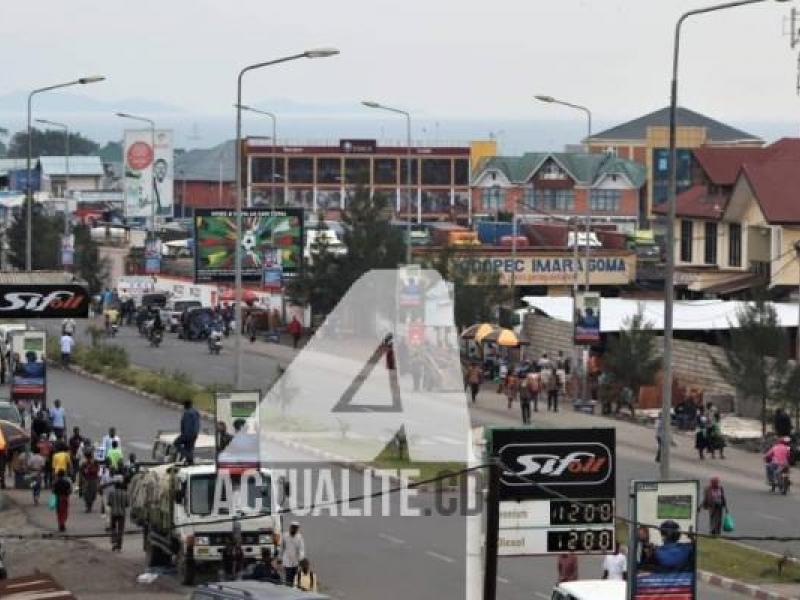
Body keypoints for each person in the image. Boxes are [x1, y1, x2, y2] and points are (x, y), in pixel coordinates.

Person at [107, 477, 128, 551]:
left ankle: (114, 541)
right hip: (122, 513)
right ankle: (119, 545)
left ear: (115, 486)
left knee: (113, 528)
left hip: (113, 513)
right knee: (120, 530)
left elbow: (109, 503)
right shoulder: (125, 493)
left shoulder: (111, 493)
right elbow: (127, 504)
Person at [281, 522, 305, 588]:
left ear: (297, 529)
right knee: (288, 578)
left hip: (295, 561)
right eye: (293, 527)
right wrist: (280, 558)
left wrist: (301, 559)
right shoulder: (285, 535)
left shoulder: (299, 537)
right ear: (290, 527)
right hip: (287, 561)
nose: (294, 529)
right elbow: (281, 547)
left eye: (295, 528)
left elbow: (301, 549)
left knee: (295, 578)